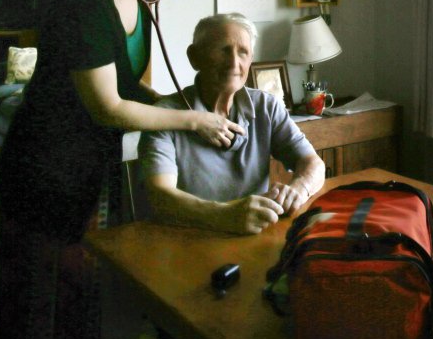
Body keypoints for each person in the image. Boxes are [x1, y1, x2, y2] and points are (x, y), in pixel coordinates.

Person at [0, 0, 243, 339]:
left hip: (91, 160)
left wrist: (176, 105)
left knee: (86, 287)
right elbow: (107, 107)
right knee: (44, 290)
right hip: (46, 167)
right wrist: (192, 122)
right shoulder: (83, 6)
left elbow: (125, 83)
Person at [139, 13, 325, 234]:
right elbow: (160, 198)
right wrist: (224, 215)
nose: (234, 63)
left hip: (253, 236)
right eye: (223, 50)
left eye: (243, 52)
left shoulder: (266, 106)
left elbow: (313, 163)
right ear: (194, 57)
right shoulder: (164, 115)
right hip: (187, 238)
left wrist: (299, 189)